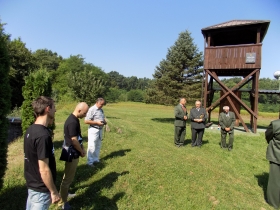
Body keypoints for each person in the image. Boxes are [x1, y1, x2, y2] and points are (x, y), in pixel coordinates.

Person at [24, 96, 61, 210]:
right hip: (41, 191)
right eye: (54, 107)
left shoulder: (30, 130)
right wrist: (54, 192)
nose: (55, 110)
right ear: (48, 109)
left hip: (32, 186)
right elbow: (44, 169)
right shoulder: (43, 136)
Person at [59, 102, 89, 210]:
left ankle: (65, 194)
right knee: (67, 179)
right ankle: (63, 203)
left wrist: (82, 148)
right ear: (79, 110)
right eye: (85, 113)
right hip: (72, 153)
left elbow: (78, 137)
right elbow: (74, 140)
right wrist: (81, 151)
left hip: (73, 151)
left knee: (68, 176)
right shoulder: (72, 122)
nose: (85, 115)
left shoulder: (75, 119)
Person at [85, 98, 106, 166]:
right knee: (92, 146)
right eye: (101, 104)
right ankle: (90, 162)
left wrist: (104, 122)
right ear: (97, 102)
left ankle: (95, 159)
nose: (102, 106)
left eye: (103, 104)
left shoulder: (101, 110)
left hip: (100, 130)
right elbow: (86, 121)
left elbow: (101, 118)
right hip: (93, 129)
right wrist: (97, 123)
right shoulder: (92, 109)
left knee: (98, 145)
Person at [265, 119, 280, 209]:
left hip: (276, 155)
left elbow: (268, 136)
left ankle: (273, 202)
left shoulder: (275, 124)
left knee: (275, 180)